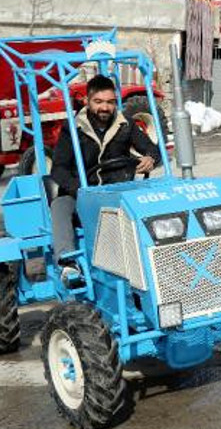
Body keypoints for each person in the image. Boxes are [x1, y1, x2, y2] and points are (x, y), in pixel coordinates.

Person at [50, 74, 161, 284]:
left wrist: (151, 158)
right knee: (60, 206)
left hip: (118, 191)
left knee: (153, 202)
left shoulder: (125, 124)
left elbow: (152, 148)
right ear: (87, 101)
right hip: (82, 192)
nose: (105, 108)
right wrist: (80, 190)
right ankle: (68, 263)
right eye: (98, 102)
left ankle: (156, 254)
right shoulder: (73, 128)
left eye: (110, 102)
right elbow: (59, 169)